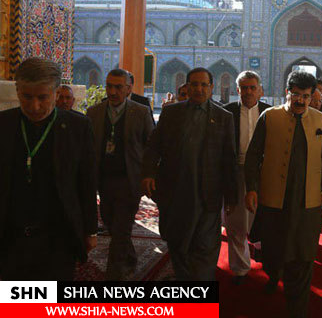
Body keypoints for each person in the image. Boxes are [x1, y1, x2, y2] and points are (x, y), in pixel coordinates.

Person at [0, 57, 97, 280]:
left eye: (42, 97)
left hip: (58, 234)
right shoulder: (4, 123)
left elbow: (87, 181)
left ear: (56, 93)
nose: (34, 106)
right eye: (27, 97)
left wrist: (90, 229)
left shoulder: (77, 126)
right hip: (10, 233)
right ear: (17, 91)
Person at [244, 71, 322, 318]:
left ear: (312, 96)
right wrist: (252, 188)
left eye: (306, 96)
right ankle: (274, 274)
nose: (300, 101)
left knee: (303, 256)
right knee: (273, 253)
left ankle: (297, 310)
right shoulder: (269, 117)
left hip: (307, 202)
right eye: (296, 95)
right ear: (287, 93)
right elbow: (253, 156)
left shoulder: (321, 120)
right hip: (274, 199)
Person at [142, 67, 237, 280]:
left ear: (211, 88)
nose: (199, 89)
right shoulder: (171, 113)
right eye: (194, 84)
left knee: (205, 249)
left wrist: (231, 196)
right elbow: (154, 146)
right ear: (187, 86)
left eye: (204, 85)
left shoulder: (224, 117)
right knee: (178, 244)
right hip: (175, 193)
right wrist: (148, 173)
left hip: (208, 195)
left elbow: (228, 159)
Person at [87, 69, 155, 279]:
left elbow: (151, 146)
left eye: (118, 87)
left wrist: (148, 175)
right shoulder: (94, 112)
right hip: (104, 180)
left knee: (122, 228)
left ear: (128, 89)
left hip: (129, 180)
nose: (113, 92)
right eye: (109, 86)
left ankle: (114, 276)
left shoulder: (140, 112)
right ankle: (130, 256)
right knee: (110, 222)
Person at [223, 71, 271, 285]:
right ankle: (240, 269)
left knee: (264, 217)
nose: (248, 92)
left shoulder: (271, 113)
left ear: (260, 90)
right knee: (235, 222)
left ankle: (264, 255)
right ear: (238, 90)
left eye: (253, 88)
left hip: (264, 174)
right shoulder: (227, 112)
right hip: (235, 173)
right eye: (244, 88)